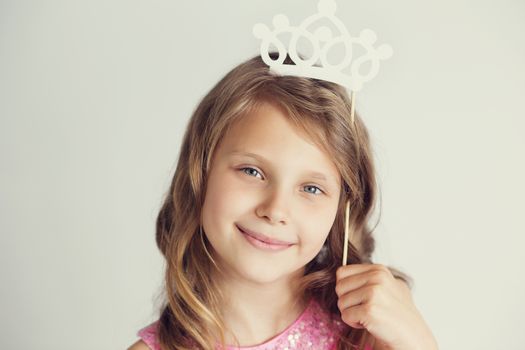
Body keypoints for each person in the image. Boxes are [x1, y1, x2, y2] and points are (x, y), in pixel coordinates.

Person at [127, 53, 438, 350]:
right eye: (252, 171)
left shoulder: (369, 337)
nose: (275, 211)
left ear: (341, 210)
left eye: (311, 189)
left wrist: (420, 345)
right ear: (200, 172)